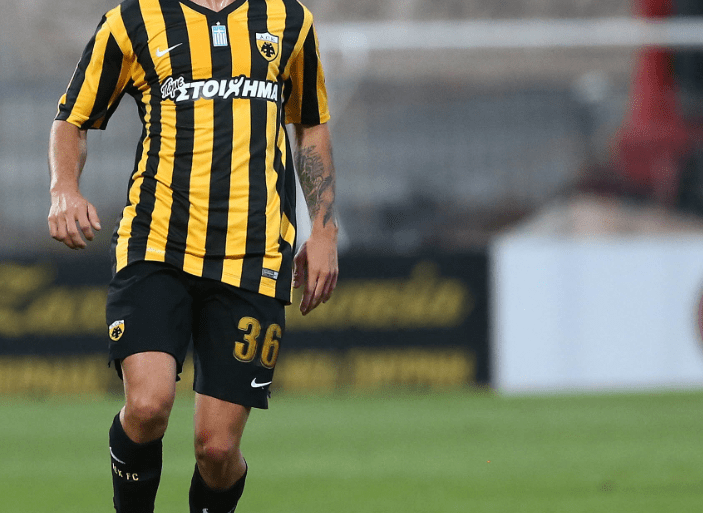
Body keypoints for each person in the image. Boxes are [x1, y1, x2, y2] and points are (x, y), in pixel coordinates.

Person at [47, 0, 338, 511]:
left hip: (254, 255)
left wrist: (324, 230)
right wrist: (64, 188)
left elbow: (310, 127)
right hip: (156, 245)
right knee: (147, 405)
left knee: (217, 449)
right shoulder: (132, 19)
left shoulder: (290, 19)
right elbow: (71, 119)